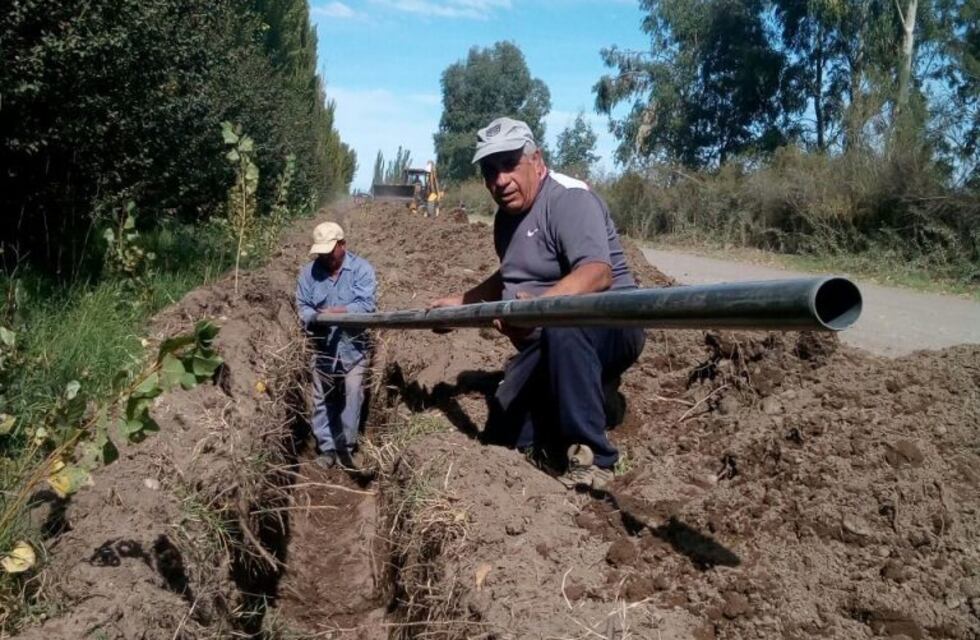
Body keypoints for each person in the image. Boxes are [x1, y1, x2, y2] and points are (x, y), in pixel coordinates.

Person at [431, 117, 645, 491]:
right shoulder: (506, 219)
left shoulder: (568, 198)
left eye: (509, 165)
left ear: (537, 160)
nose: (500, 181)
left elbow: (597, 273)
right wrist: (458, 304)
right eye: (490, 171)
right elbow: (510, 275)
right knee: (504, 431)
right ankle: (594, 399)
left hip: (609, 323)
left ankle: (594, 459)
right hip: (548, 332)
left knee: (565, 324)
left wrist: (539, 309)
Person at [296, 222, 377, 469]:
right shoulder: (308, 274)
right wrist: (315, 317)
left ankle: (347, 447)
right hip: (323, 347)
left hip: (354, 347)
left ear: (343, 245)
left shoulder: (362, 270)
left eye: (330, 251)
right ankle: (327, 449)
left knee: (353, 394)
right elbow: (303, 306)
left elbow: (366, 306)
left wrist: (335, 312)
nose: (326, 257)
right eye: (321, 253)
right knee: (323, 397)